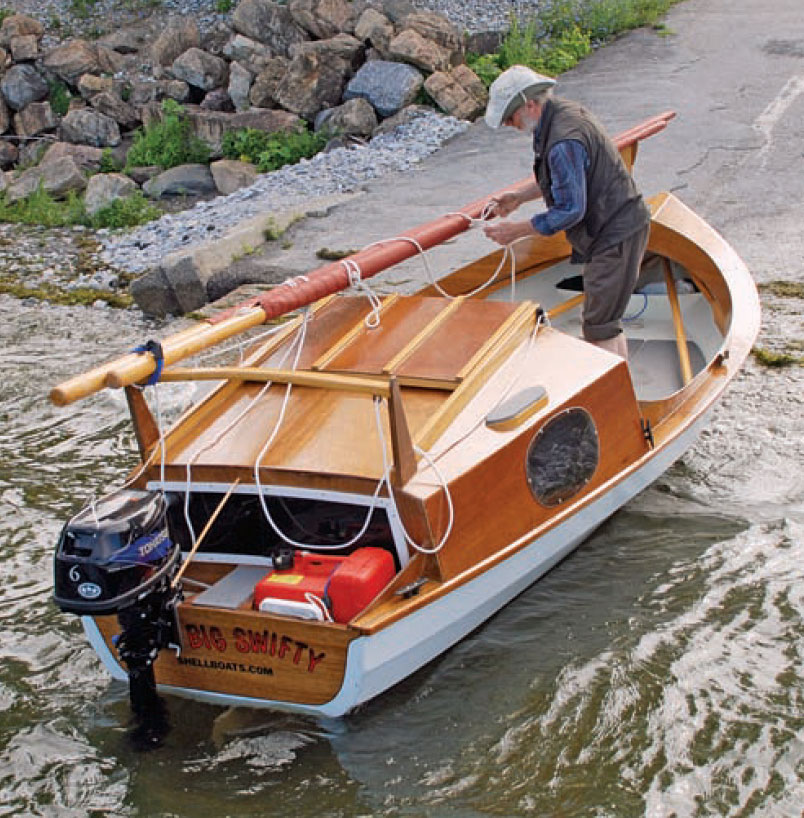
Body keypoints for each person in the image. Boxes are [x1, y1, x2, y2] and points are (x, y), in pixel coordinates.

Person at [482, 65, 650, 359]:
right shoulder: (561, 113)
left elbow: (571, 209)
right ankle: (622, 385)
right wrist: (520, 197)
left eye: (510, 117)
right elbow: (567, 178)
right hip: (619, 228)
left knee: (599, 329)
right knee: (606, 324)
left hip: (614, 237)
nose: (509, 125)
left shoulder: (562, 140)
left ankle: (612, 400)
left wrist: (516, 231)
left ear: (530, 105)